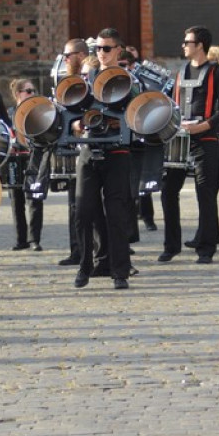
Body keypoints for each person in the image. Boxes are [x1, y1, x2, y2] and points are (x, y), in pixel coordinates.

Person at [159, 26, 219, 264]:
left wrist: (204, 126)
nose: (183, 45)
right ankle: (171, 246)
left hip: (206, 139)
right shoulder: (180, 72)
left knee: (205, 193)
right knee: (169, 191)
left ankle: (206, 248)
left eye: (187, 42)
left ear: (200, 45)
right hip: (180, 139)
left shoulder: (216, 73)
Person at [73, 31, 134, 289]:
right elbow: (73, 110)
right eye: (97, 48)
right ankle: (85, 266)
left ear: (118, 51)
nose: (101, 53)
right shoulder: (88, 78)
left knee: (116, 213)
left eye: (106, 48)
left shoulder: (130, 80)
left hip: (117, 152)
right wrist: (75, 123)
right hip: (89, 149)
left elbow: (134, 114)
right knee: (83, 211)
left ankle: (120, 271)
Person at [56, 38, 89, 267]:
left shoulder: (91, 77)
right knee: (73, 204)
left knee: (91, 205)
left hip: (91, 146)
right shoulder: (67, 81)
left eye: (69, 55)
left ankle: (94, 251)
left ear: (80, 55)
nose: (65, 60)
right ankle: (76, 250)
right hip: (72, 146)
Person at [7, 78, 43, 251]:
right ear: (17, 94)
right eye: (28, 91)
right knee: (16, 200)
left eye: (33, 90)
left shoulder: (39, 111)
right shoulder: (10, 113)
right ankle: (20, 239)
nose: (32, 94)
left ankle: (34, 239)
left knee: (34, 197)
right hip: (15, 158)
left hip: (33, 157)